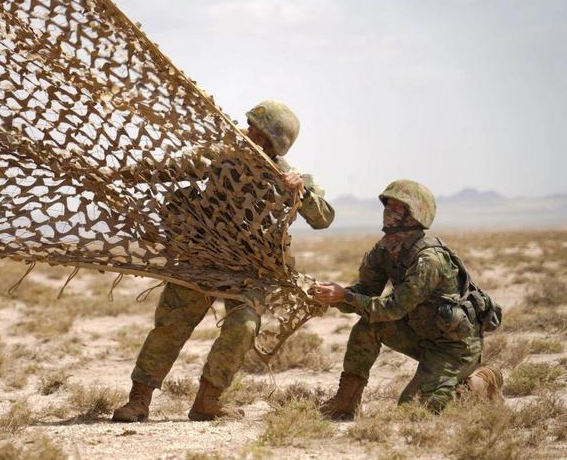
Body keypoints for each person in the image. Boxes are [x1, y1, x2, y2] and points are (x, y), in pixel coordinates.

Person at [112, 100, 335, 422]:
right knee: (171, 326)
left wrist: (301, 193)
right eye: (250, 129)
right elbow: (164, 171)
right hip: (203, 256)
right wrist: (116, 174)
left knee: (243, 327)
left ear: (275, 144)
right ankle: (138, 401)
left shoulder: (290, 177)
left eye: (259, 134)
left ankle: (207, 402)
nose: (249, 136)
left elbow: (323, 218)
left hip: (250, 270)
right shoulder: (220, 157)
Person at [310, 180, 502, 420]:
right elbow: (366, 292)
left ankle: (479, 384)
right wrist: (331, 296)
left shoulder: (429, 260)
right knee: (369, 325)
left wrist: (345, 296)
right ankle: (345, 403)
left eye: (397, 207)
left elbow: (394, 308)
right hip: (420, 334)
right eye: (387, 205)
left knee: (413, 411)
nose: (388, 212)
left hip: (453, 347)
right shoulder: (383, 250)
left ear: (414, 214)